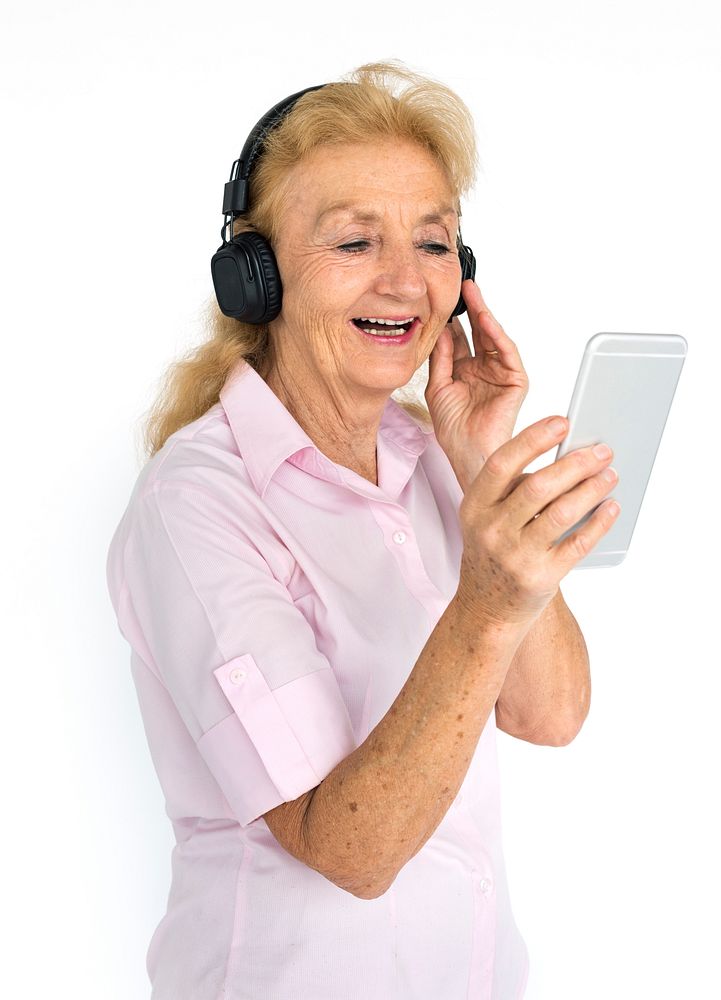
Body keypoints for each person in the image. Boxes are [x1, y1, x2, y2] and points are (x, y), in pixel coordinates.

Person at [105, 60, 619, 1000]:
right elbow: (348, 850)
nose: (404, 282)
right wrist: (487, 601)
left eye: (433, 243)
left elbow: (550, 715)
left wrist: (476, 465)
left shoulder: (431, 461)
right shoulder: (197, 506)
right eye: (352, 243)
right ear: (255, 278)